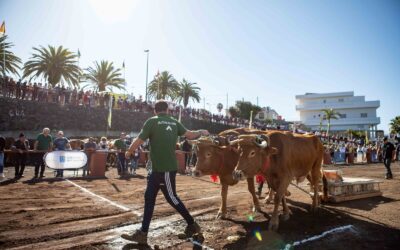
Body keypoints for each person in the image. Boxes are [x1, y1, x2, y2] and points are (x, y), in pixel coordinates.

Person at [121, 100, 209, 244]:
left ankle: (192, 224)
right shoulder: (174, 122)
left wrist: (129, 151)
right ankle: (143, 233)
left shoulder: (152, 121)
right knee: (149, 198)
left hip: (164, 169)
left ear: (155, 110)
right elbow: (190, 135)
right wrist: (201, 132)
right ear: (167, 110)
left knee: (172, 198)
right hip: (156, 170)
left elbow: (140, 139)